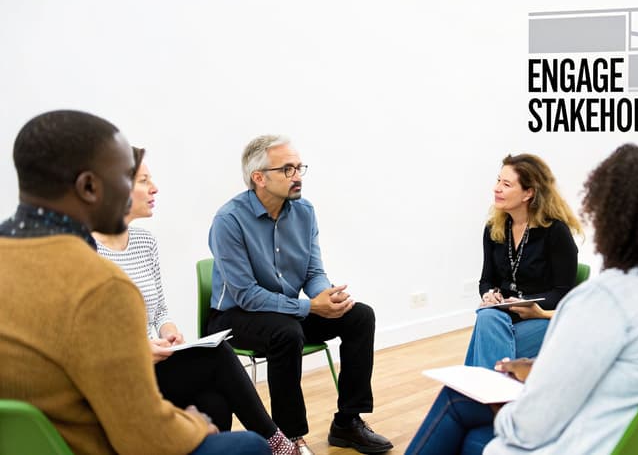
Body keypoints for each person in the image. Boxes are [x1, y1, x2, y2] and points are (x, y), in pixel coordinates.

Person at [405, 144, 638, 455]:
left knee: (459, 407)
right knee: (483, 351)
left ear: (610, 218)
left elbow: (526, 430)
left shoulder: (606, 300)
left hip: (592, 446)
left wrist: (505, 406)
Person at [0, 110, 270, 455]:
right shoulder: (99, 283)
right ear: (89, 187)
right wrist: (195, 426)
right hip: (85, 442)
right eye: (125, 176)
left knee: (211, 399)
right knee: (249, 445)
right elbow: (141, 433)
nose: (147, 188)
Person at [93, 149, 297, 455]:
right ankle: (277, 441)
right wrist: (134, 348)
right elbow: (85, 336)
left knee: (213, 401)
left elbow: (159, 310)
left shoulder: (145, 242)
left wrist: (169, 332)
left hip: (156, 363)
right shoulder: (86, 251)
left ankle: (257, 444)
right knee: (217, 356)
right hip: (119, 374)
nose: (155, 188)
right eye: (144, 180)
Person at [206, 135, 393, 455]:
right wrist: (308, 307)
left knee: (360, 316)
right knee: (287, 332)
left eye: (299, 168)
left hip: (288, 311)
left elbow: (312, 272)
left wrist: (327, 298)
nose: (297, 176)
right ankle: (289, 436)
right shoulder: (229, 220)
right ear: (259, 178)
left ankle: (348, 422)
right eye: (288, 169)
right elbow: (247, 295)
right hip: (234, 317)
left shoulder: (304, 212)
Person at [466, 153, 581, 369]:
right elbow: (486, 280)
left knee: (487, 330)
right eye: (498, 180)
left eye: (506, 184)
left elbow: (563, 293)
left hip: (542, 318)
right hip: (502, 316)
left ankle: (481, 393)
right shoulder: (494, 229)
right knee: (488, 315)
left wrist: (526, 303)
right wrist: (490, 295)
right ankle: (498, 394)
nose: (496, 188)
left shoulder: (555, 232)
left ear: (528, 192)